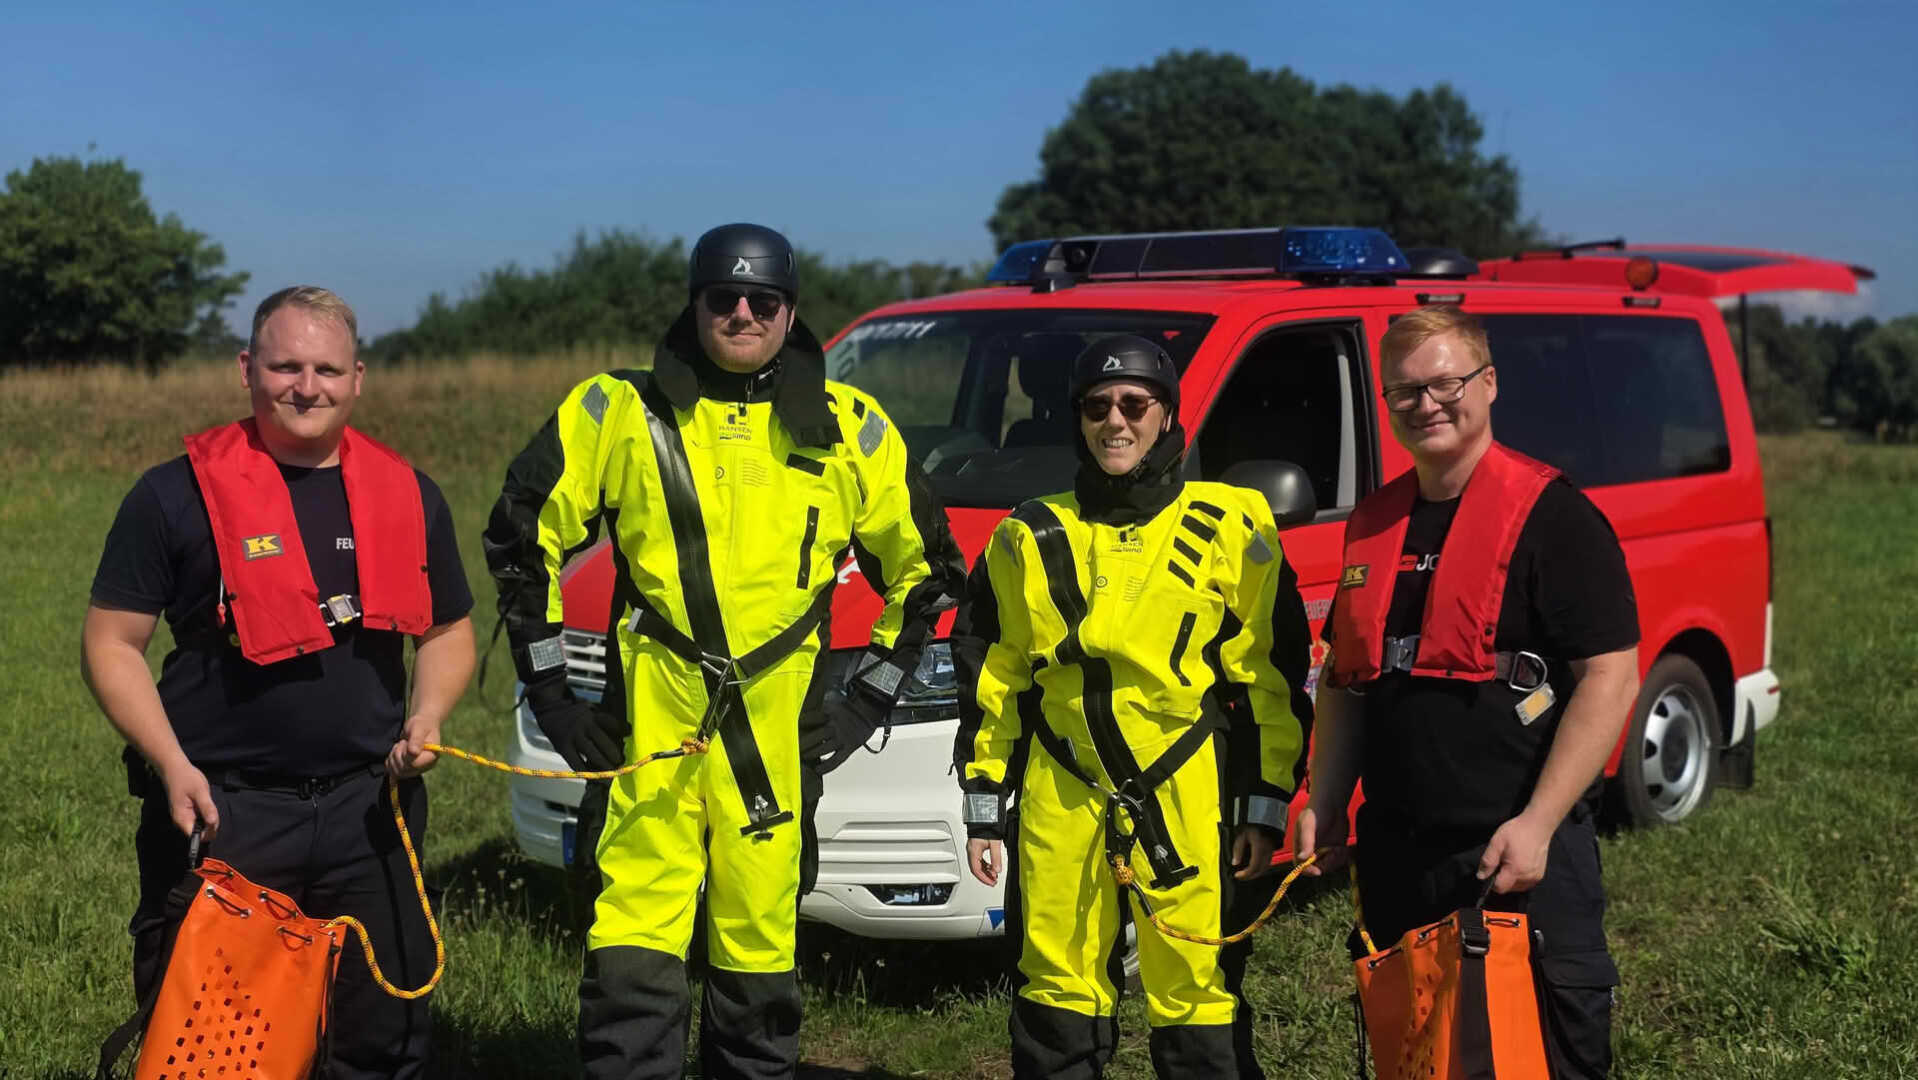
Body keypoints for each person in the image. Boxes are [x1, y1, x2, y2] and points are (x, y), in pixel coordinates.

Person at [485, 222, 963, 1079]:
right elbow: (523, 538)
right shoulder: (616, 412)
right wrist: (552, 692)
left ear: (790, 312)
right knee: (633, 936)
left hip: (778, 741)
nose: (742, 313)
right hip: (649, 732)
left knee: (758, 944)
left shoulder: (850, 426)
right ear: (695, 303)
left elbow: (926, 572)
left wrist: (867, 700)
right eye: (723, 297)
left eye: (763, 299)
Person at [83, 286, 477, 1078]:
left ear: (357, 378)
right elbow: (112, 643)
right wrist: (172, 764)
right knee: (216, 1052)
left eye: (327, 368)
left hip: (372, 812)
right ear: (246, 369)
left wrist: (427, 715)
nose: (307, 386)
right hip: (226, 813)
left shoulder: (409, 492)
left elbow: (449, 631)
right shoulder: (173, 495)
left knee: (383, 1042)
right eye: (286, 365)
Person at [953, 334, 1315, 1078]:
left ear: (1167, 414)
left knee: (1196, 994)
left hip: (1188, 791)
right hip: (1064, 794)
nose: (1115, 421)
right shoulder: (1026, 534)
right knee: (1056, 990)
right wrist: (985, 800)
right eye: (1096, 406)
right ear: (1076, 419)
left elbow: (1269, 680)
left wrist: (1264, 802)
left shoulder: (1232, 525)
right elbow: (995, 676)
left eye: (1134, 404)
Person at [1293, 305, 1640, 1078]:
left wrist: (1539, 824)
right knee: (1418, 1061)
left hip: (1517, 858)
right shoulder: (1374, 523)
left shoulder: (1557, 519)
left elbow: (1611, 677)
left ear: (1488, 384)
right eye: (1405, 392)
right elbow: (1349, 682)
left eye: (1445, 383)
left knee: (1542, 1058)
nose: (1427, 405)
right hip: (1398, 859)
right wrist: (1325, 799)